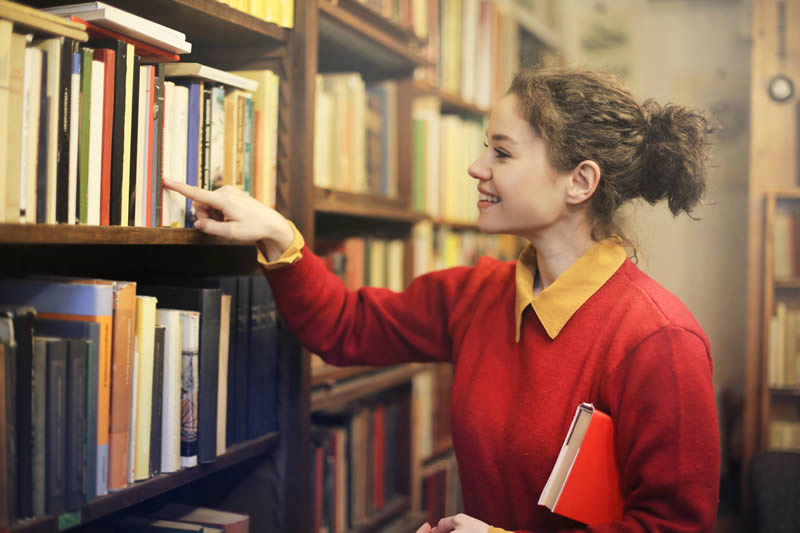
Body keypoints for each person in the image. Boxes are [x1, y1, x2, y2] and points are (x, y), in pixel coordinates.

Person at [164, 67, 720, 533]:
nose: (477, 168)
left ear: (580, 181)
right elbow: (344, 327)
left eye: (501, 153)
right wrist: (279, 236)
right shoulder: (479, 295)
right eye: (486, 148)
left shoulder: (659, 339)